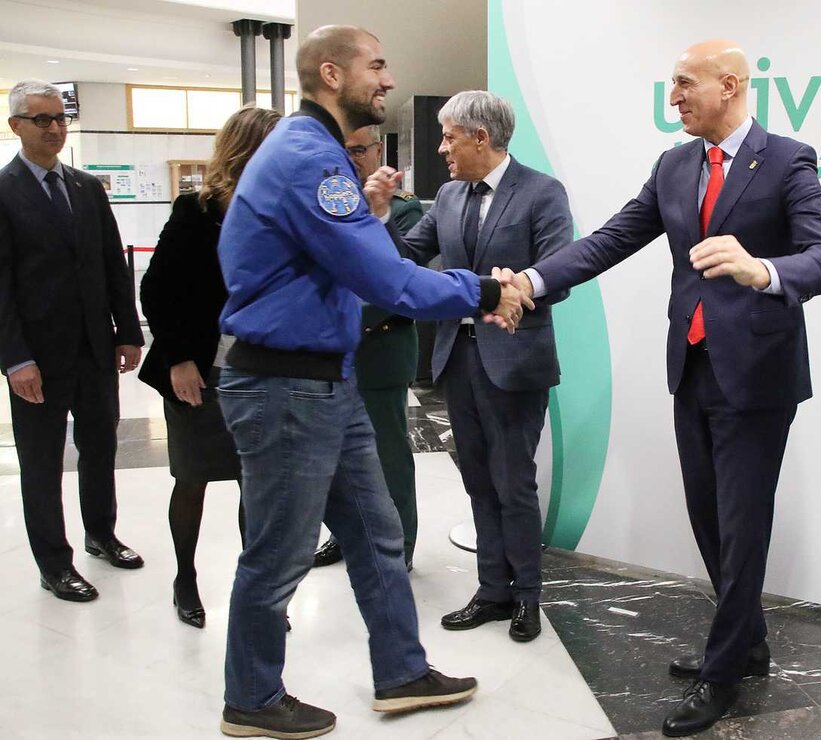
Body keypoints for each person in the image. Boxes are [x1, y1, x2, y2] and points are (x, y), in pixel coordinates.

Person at [502, 40, 821, 736]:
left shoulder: (788, 160)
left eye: (686, 85)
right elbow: (609, 239)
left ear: (731, 85)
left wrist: (763, 271)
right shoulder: (673, 164)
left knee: (744, 526)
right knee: (709, 518)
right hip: (691, 369)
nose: (675, 98)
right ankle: (746, 643)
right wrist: (534, 281)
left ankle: (723, 673)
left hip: (757, 378)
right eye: (672, 87)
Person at [214, 25, 529, 739]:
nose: (387, 81)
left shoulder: (316, 154)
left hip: (325, 383)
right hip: (286, 388)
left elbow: (353, 261)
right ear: (332, 74)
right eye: (377, 66)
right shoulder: (308, 158)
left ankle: (401, 672)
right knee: (277, 554)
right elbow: (387, 279)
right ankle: (252, 697)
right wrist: (486, 291)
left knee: (378, 533)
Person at [387, 90, 572, 642]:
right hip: (455, 358)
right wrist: (375, 219)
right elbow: (407, 256)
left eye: (448, 137)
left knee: (513, 482)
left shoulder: (542, 192)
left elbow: (558, 271)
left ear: (479, 137)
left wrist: (514, 289)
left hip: (514, 361)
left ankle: (527, 599)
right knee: (476, 481)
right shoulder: (446, 195)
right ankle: (492, 590)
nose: (442, 147)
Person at [0, 80, 145, 603]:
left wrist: (127, 331)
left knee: (100, 446)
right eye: (42, 120)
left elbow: (112, 265)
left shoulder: (86, 188)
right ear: (16, 126)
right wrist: (15, 359)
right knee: (41, 461)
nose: (55, 129)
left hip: (94, 349)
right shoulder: (4, 191)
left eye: (60, 119)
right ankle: (52, 562)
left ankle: (101, 533)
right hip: (37, 356)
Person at [139, 105, 282, 628]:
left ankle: (258, 590)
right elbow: (155, 289)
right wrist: (177, 357)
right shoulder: (194, 211)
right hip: (196, 369)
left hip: (257, 371)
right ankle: (185, 578)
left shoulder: (275, 211)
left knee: (256, 482)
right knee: (194, 477)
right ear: (246, 150)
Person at [313, 124, 423, 571]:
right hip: (328, 358)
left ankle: (399, 548)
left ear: (379, 149)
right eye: (345, 150)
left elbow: (402, 276)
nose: (353, 158)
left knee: (387, 459)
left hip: (379, 352)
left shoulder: (402, 210)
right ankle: (345, 535)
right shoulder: (325, 205)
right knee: (334, 458)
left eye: (361, 149)